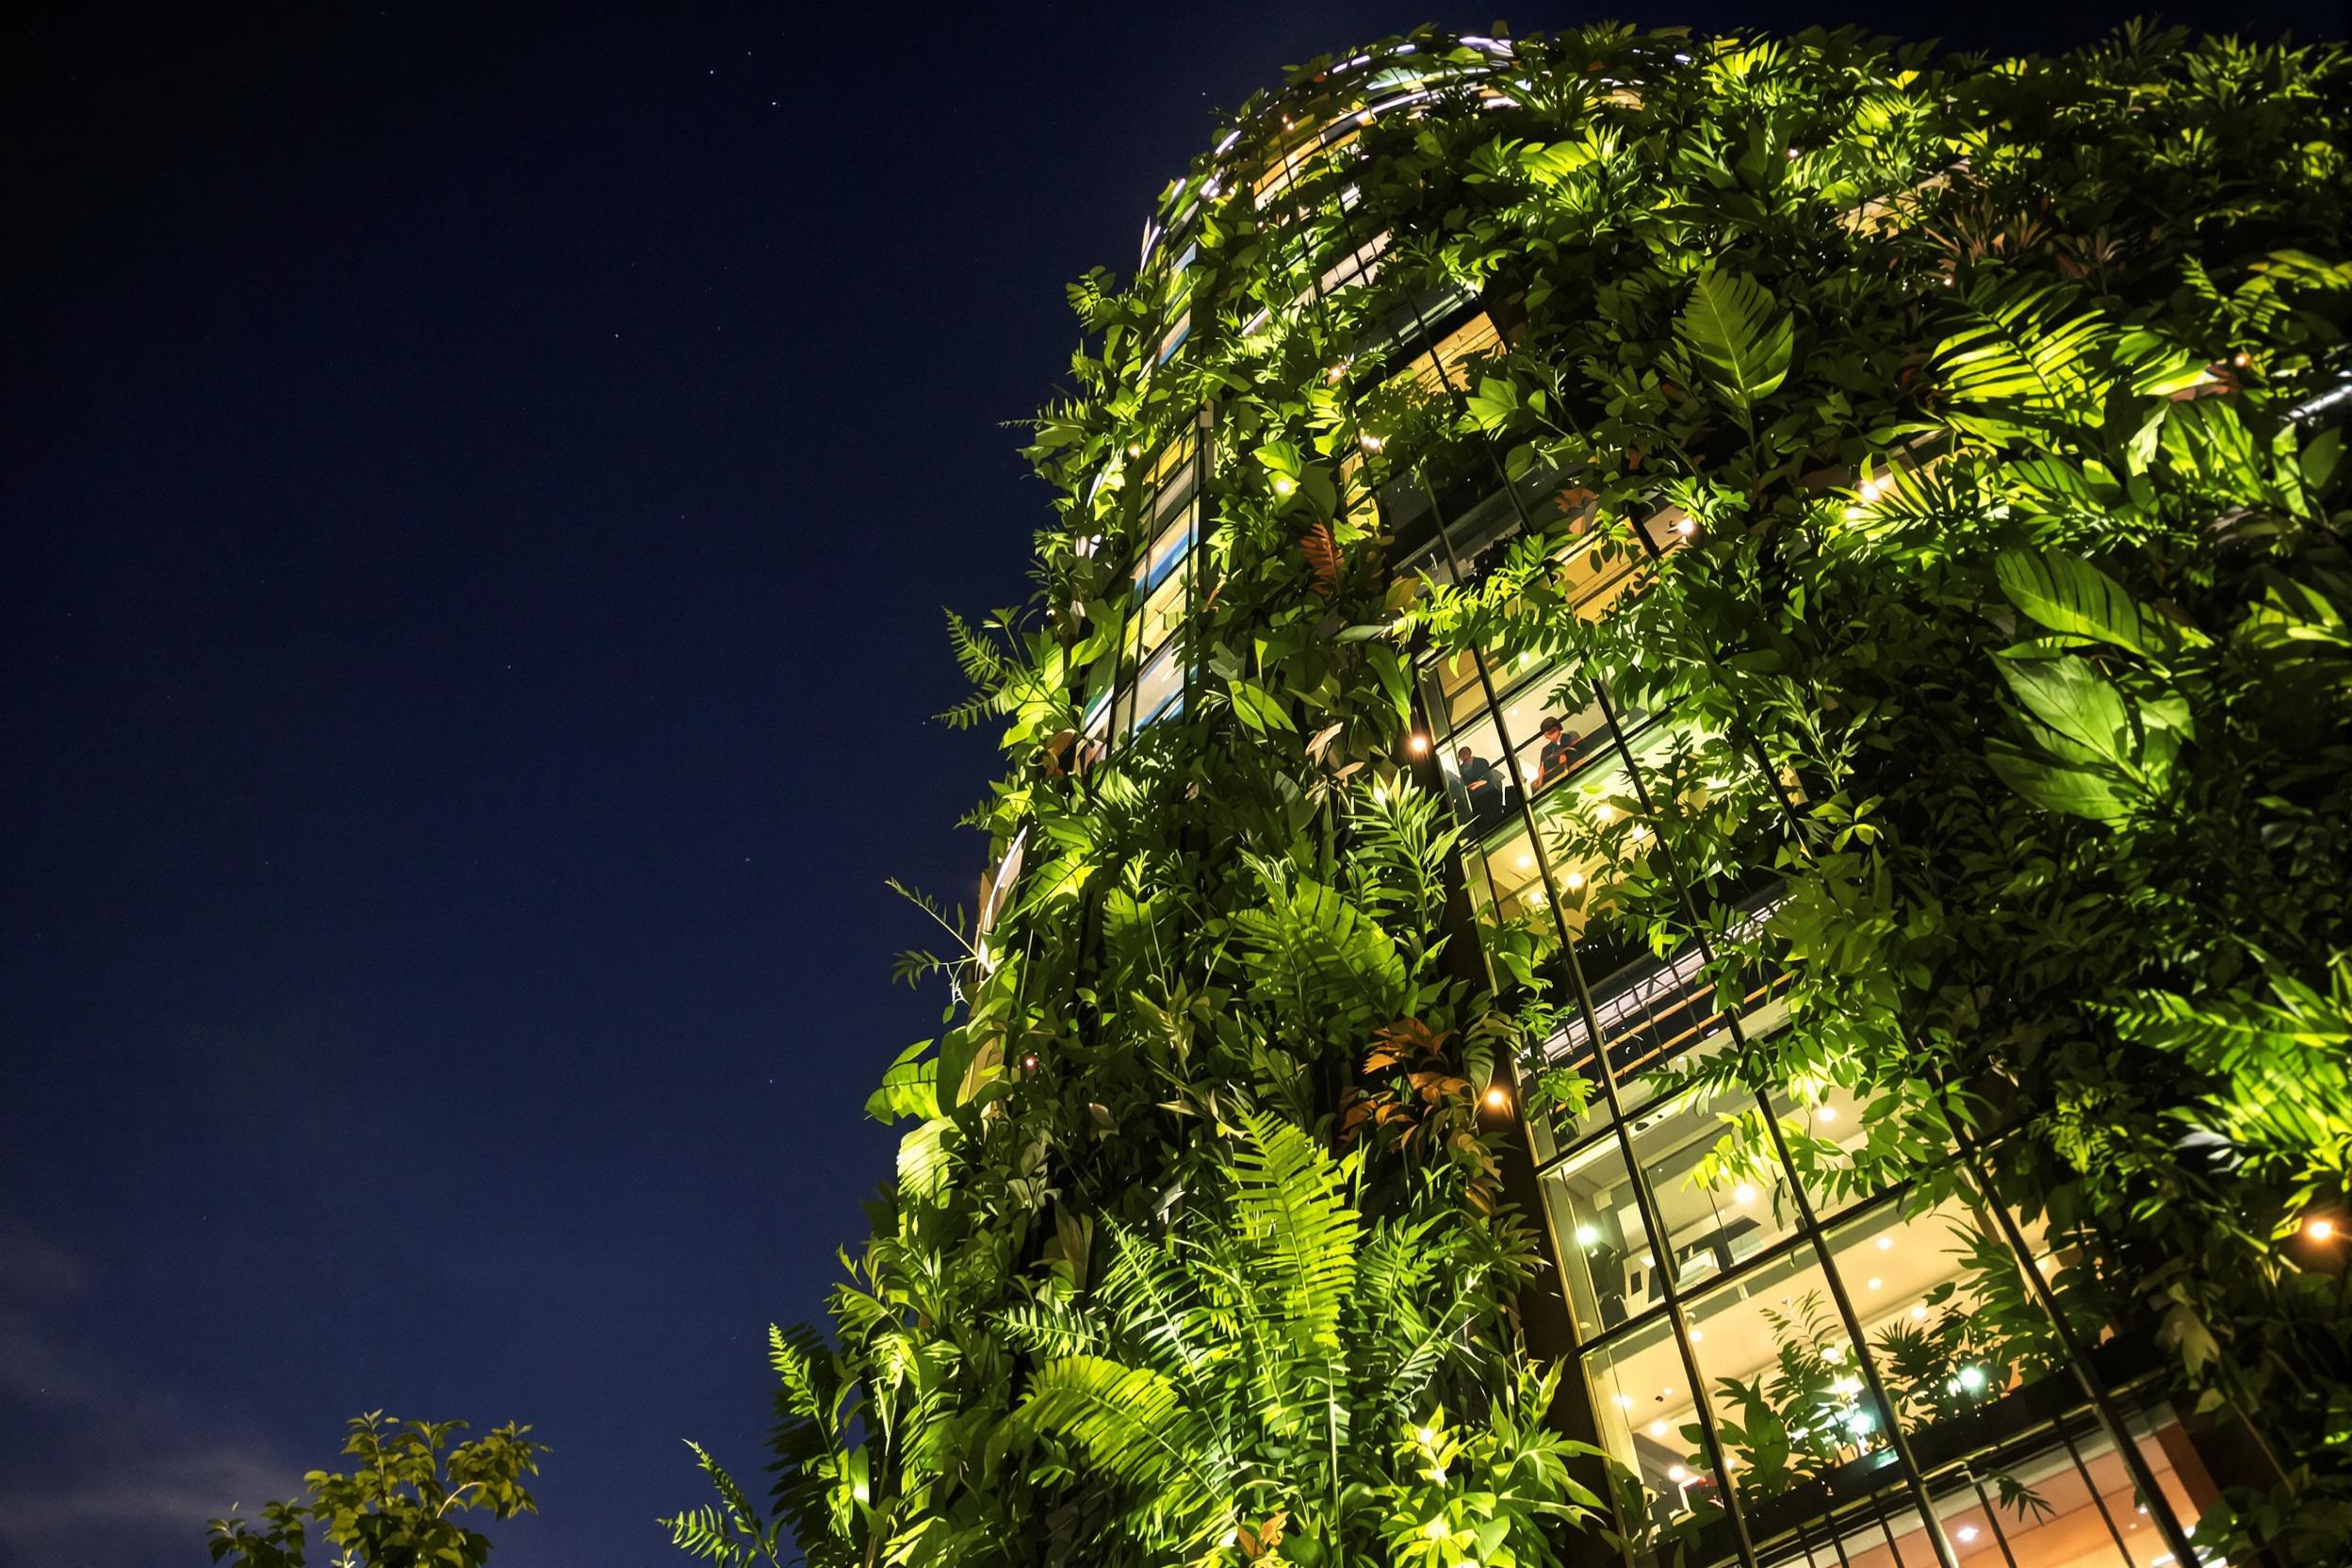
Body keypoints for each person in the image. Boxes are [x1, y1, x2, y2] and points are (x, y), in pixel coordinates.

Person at [1455, 746, 1505, 830]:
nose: (1462, 759)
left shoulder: (1480, 762)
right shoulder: (1461, 769)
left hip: (1488, 794)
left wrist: (1475, 785)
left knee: (1495, 818)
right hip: (1476, 800)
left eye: (1462, 756)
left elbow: (1487, 779)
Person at [1534, 715, 1581, 790]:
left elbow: (1576, 752)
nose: (1552, 735)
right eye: (1548, 734)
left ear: (1559, 728)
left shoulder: (1570, 736)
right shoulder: (1546, 750)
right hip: (1558, 783)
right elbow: (1542, 768)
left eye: (1553, 731)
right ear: (1546, 735)